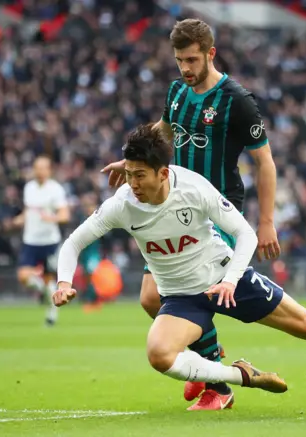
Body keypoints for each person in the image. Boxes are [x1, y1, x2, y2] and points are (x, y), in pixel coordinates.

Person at [54, 125, 306, 411]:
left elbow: (245, 235)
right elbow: (73, 242)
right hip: (182, 298)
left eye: (139, 175)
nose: (132, 184)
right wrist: (63, 282)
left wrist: (230, 281)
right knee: (159, 355)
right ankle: (242, 376)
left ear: (163, 173)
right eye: (128, 174)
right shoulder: (123, 204)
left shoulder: (193, 189)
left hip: (226, 279)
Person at [101, 18, 281, 406]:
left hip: (216, 212)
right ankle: (216, 373)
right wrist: (131, 162)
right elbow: (164, 130)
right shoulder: (177, 92)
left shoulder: (237, 100)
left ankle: (214, 380)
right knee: (152, 299)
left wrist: (266, 222)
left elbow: (265, 163)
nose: (185, 68)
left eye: (192, 60)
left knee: (192, 295)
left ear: (210, 54)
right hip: (174, 207)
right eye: (180, 60)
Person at [13, 156, 70, 326]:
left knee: (50, 279)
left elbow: (64, 215)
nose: (39, 171)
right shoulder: (29, 188)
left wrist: (50, 218)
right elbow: (28, 211)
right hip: (30, 239)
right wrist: (19, 219)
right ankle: (46, 293)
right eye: (37, 167)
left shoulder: (56, 189)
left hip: (49, 241)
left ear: (49, 170)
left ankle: (51, 316)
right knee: (23, 276)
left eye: (43, 167)